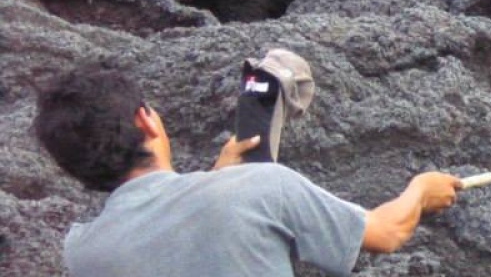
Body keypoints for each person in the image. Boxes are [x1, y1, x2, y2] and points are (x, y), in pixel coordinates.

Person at [32, 62, 462, 276]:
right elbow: (386, 233)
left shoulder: (83, 253)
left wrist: (217, 182)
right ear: (146, 120)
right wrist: (421, 192)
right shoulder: (263, 187)